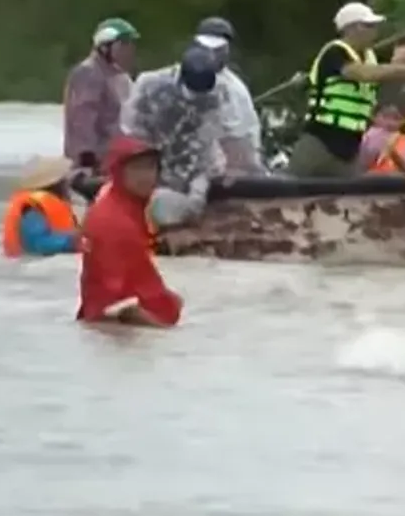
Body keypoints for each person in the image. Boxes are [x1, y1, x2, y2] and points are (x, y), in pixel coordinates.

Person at [287, 2, 405, 177]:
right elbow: (362, 73)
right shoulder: (334, 52)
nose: (375, 30)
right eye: (369, 26)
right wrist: (404, 71)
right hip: (319, 141)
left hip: (350, 147)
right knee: (290, 190)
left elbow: (404, 55)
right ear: (352, 28)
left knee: (349, 199)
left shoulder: (370, 55)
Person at [120, 45, 236, 223]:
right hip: (154, 152)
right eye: (193, 93)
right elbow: (130, 127)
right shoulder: (151, 85)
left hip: (193, 157)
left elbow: (214, 136)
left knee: (195, 199)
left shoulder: (220, 92)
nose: (197, 97)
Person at [77, 136, 183, 327]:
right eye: (136, 168)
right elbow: (121, 306)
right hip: (121, 331)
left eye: (150, 167)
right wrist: (167, 334)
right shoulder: (114, 222)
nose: (145, 176)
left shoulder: (121, 206)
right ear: (118, 172)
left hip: (105, 326)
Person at [63, 17, 137, 172]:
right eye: (123, 44)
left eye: (130, 44)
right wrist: (86, 158)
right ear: (104, 47)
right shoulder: (88, 73)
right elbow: (82, 118)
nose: (129, 50)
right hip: (95, 166)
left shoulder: (120, 75)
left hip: (119, 161)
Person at [193, 17, 265, 173]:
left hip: (226, 169)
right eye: (206, 47)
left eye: (218, 49)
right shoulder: (181, 77)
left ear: (227, 50)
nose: (212, 54)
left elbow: (244, 139)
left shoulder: (235, 89)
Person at [1, 155, 79, 257]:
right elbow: (36, 243)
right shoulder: (32, 209)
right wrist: (70, 242)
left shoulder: (49, 204)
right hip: (33, 267)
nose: (67, 184)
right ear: (54, 184)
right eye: (63, 180)